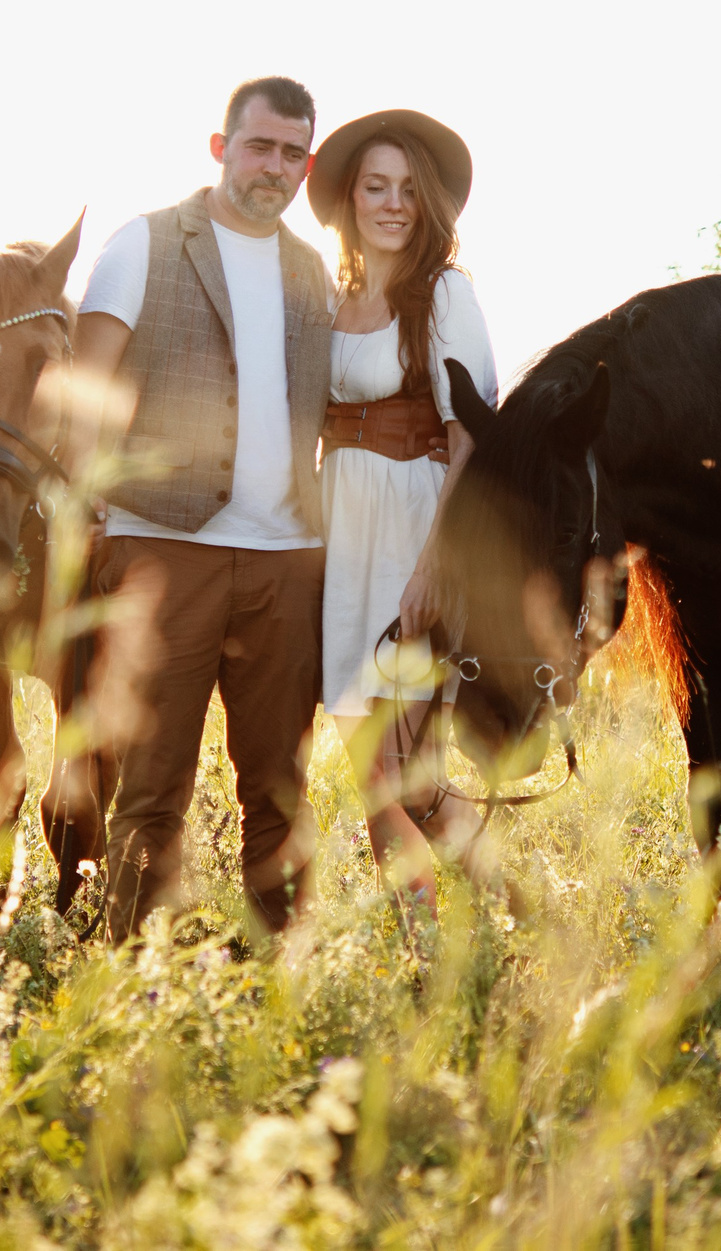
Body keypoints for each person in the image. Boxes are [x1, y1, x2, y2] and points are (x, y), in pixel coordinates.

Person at [65, 76, 333, 939]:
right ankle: (132, 988)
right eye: (261, 146)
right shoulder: (141, 245)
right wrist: (84, 506)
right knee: (150, 789)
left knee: (280, 790)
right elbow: (83, 388)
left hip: (287, 560)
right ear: (221, 148)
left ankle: (276, 987)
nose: (276, 167)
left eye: (294, 152)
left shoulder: (312, 270)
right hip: (161, 548)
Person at [307, 109, 499, 911]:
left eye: (408, 190)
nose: (391, 203)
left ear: (428, 205)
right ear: (350, 198)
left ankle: (521, 917)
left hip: (414, 531)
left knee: (403, 777)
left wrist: (434, 567)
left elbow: (471, 440)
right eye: (375, 186)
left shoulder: (445, 294)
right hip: (341, 538)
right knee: (374, 776)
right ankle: (436, 943)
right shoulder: (330, 297)